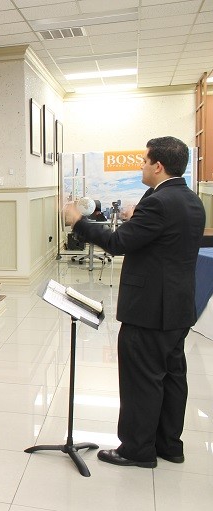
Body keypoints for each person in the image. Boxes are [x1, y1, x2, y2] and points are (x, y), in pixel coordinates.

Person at [64, 136, 205, 468]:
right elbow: (159, 240)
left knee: (141, 380)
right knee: (171, 376)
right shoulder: (190, 199)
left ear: (158, 166)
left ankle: (137, 450)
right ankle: (169, 445)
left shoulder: (159, 203)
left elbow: (117, 243)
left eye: (144, 161)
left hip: (150, 309)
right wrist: (135, 218)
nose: (141, 165)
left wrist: (78, 221)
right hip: (178, 307)